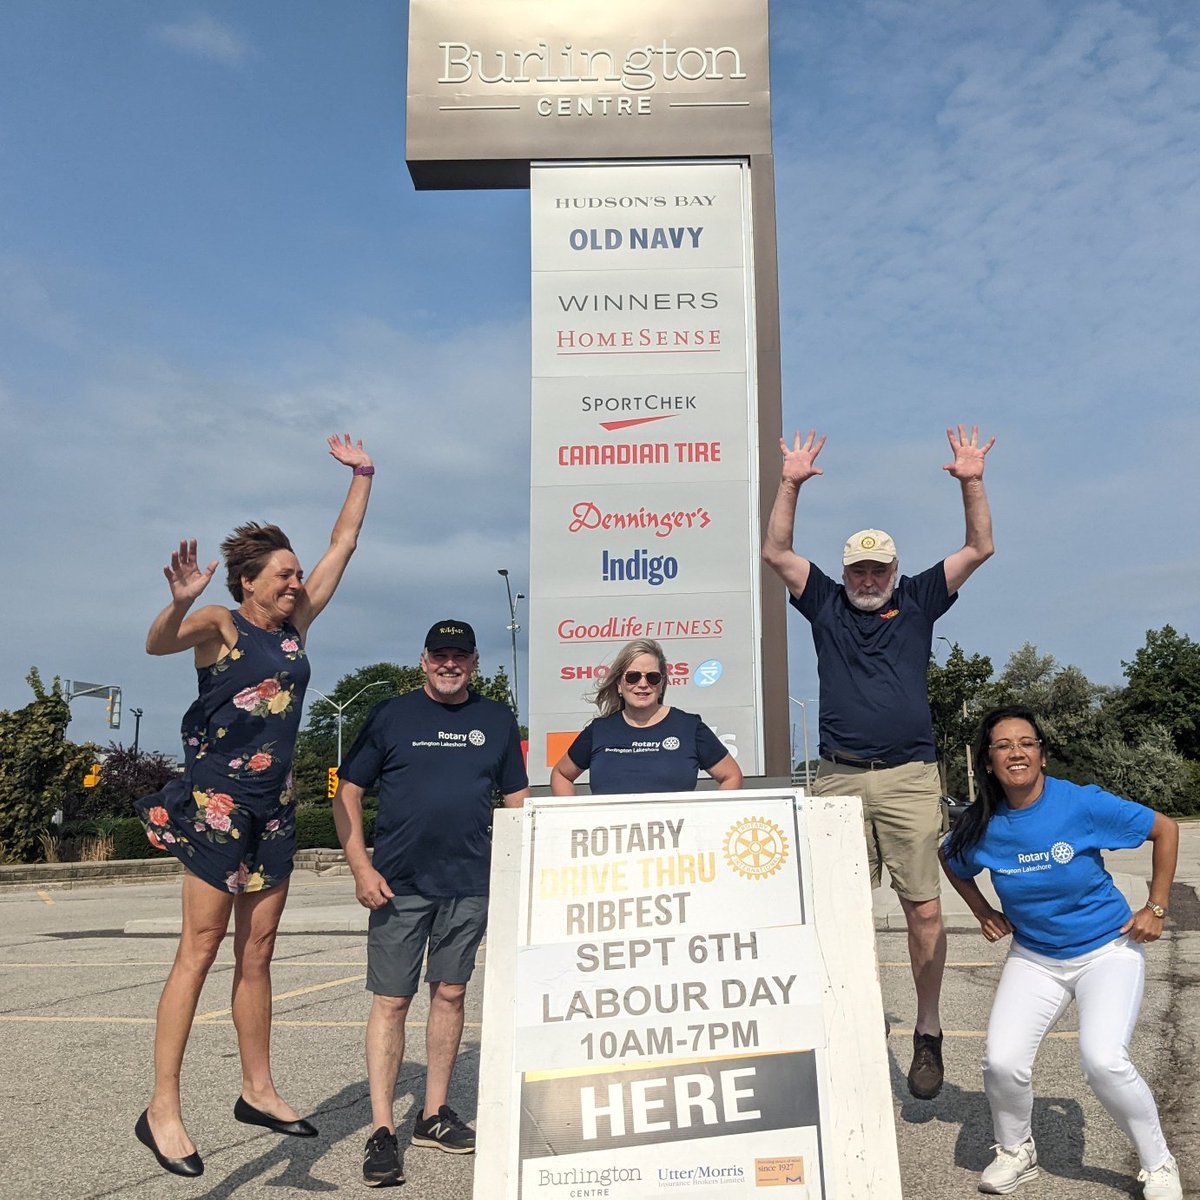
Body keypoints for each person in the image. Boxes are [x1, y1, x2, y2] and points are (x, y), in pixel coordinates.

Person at [131, 434, 374, 1177]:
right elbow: (157, 644)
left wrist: (363, 474)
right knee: (200, 948)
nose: (297, 583)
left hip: (274, 809)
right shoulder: (221, 625)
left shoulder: (295, 632)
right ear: (248, 583)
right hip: (217, 804)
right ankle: (161, 1109)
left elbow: (343, 543)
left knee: (259, 951)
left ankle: (257, 1088)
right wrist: (179, 604)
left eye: (298, 574)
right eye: (284, 575)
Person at [761, 424, 995, 1100]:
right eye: (859, 569)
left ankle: (927, 1031)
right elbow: (776, 552)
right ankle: (845, 1022)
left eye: (879, 569)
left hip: (909, 776)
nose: (868, 579)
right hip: (836, 777)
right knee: (836, 911)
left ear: (895, 570)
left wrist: (972, 481)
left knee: (924, 910)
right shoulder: (825, 603)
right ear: (845, 572)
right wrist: (790, 483)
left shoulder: (919, 598)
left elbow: (980, 547)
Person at [940, 706, 1182, 1199]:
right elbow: (949, 857)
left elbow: (1165, 829)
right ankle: (1017, 1151)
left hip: (1107, 950)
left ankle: (1158, 1164)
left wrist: (1156, 906)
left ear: (1042, 755)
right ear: (988, 762)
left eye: (1026, 743)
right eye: (1003, 745)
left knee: (1103, 1061)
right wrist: (983, 911)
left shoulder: (1081, 804)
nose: (1016, 752)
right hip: (1035, 957)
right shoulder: (981, 823)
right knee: (1002, 1061)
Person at [332, 619, 529, 1188]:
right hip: (397, 884)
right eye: (440, 655)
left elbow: (517, 799)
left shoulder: (496, 719)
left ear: (473, 662)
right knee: (392, 1001)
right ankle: (381, 1130)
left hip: (469, 883)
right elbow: (349, 792)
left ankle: (433, 1114)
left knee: (451, 993)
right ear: (423, 661)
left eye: (459, 656)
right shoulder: (392, 715)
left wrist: (522, 871)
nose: (449, 664)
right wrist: (361, 867)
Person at [549, 638, 743, 796]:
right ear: (619, 684)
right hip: (612, 833)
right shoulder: (599, 730)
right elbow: (561, 774)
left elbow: (731, 776)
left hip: (677, 834)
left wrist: (707, 821)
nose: (643, 684)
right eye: (632, 677)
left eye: (652, 677)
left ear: (661, 685)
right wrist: (572, 818)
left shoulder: (689, 727)